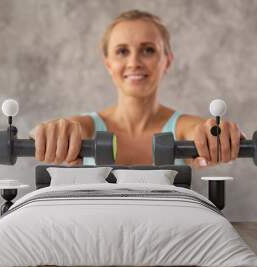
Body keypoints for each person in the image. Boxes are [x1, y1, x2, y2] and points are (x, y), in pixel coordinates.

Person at [30, 10, 243, 168]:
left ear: (167, 61)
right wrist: (50, 132)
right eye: (122, 51)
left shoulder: (182, 128)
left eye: (148, 50)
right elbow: (61, 129)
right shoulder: (85, 127)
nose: (134, 62)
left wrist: (220, 134)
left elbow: (201, 130)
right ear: (108, 64)